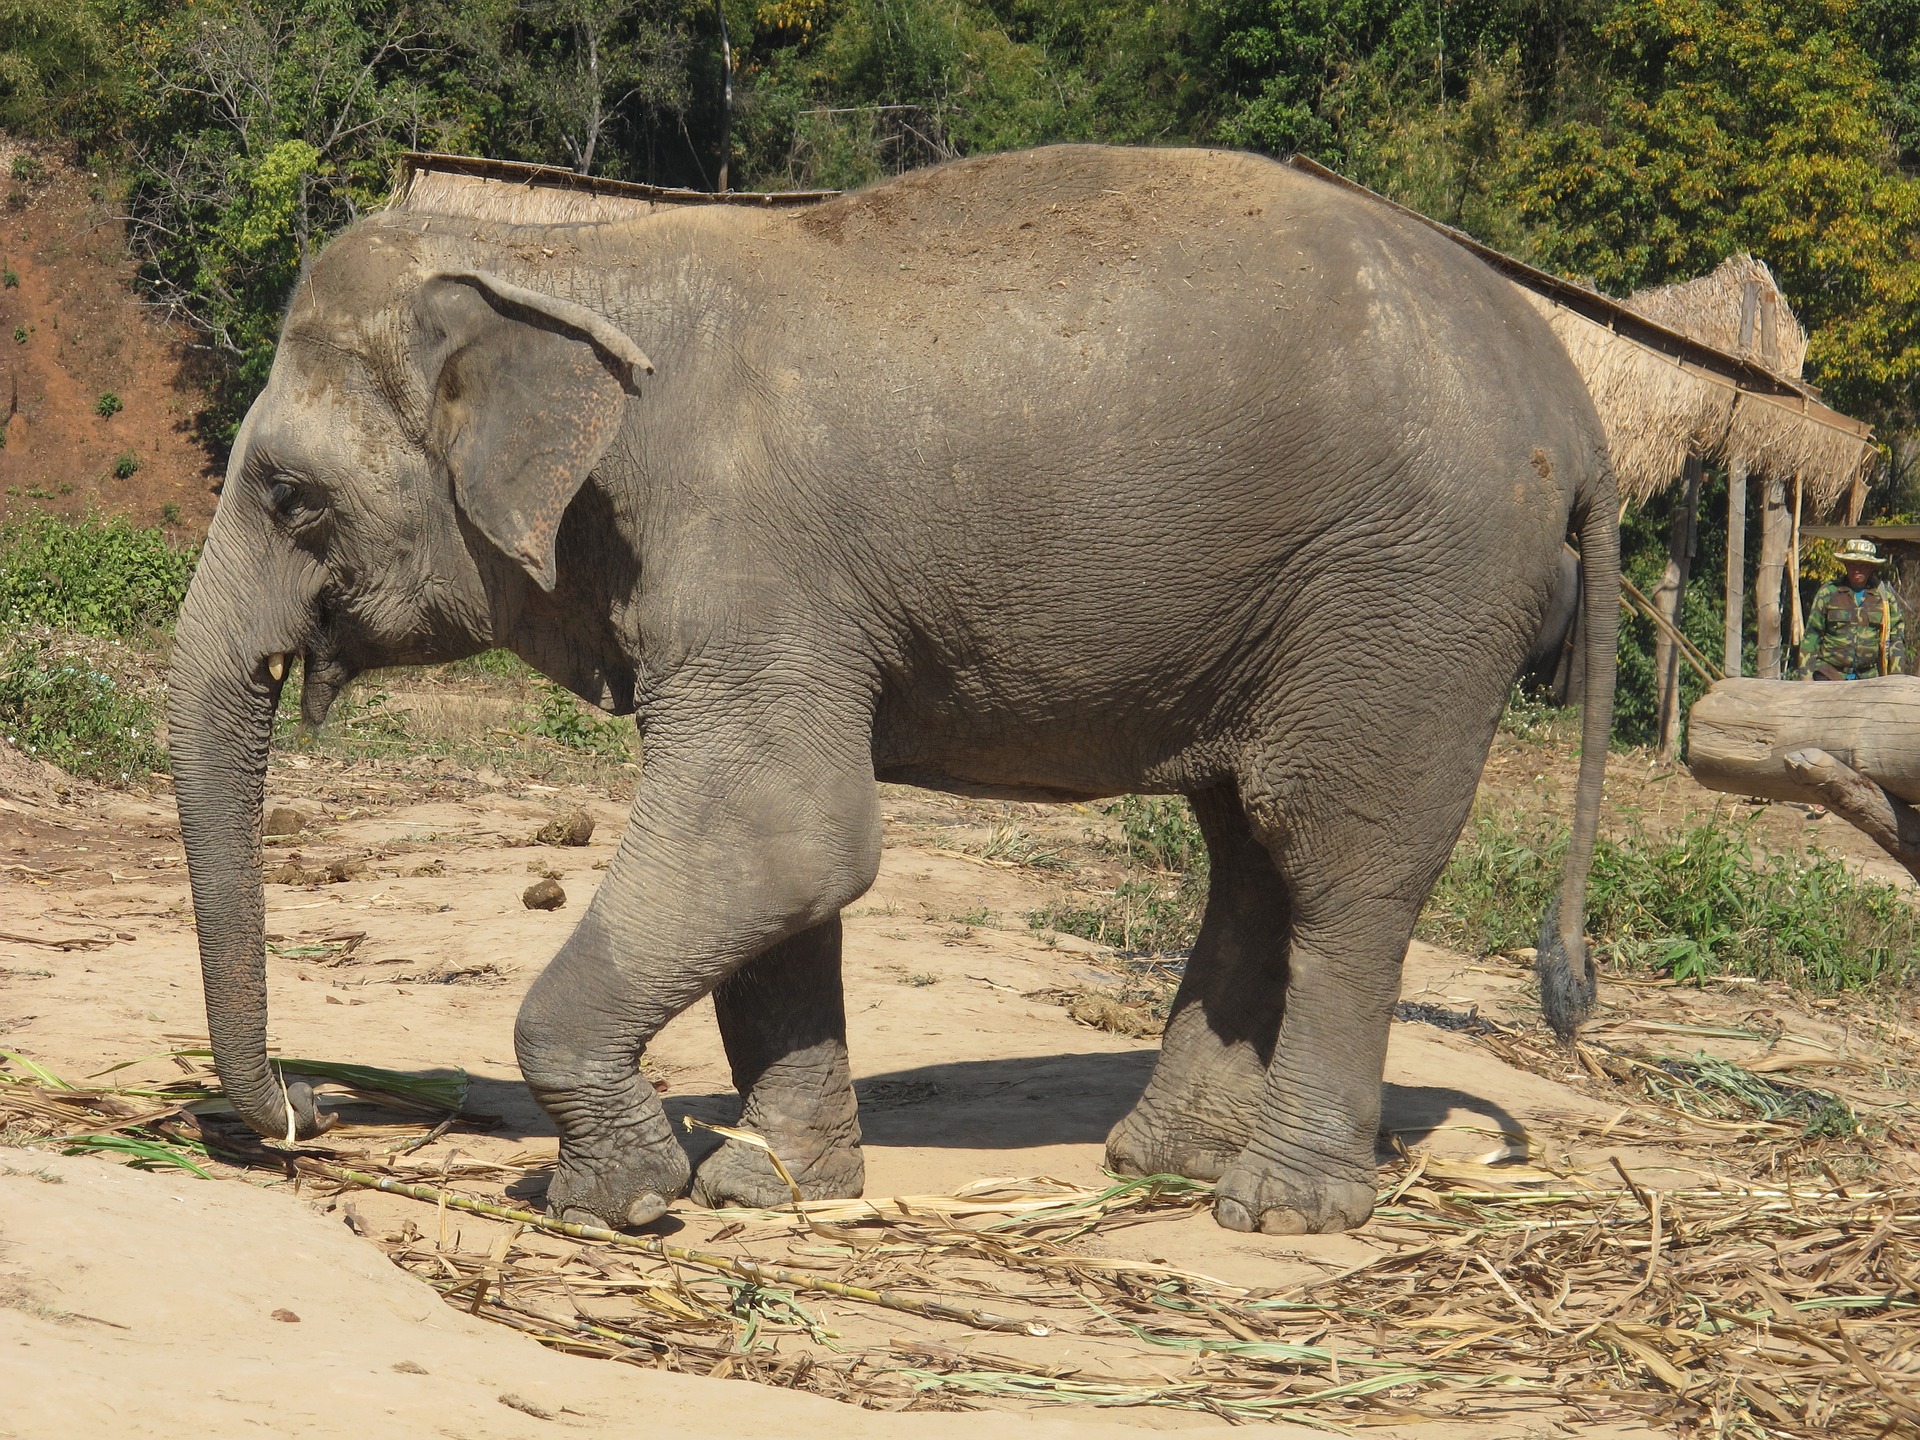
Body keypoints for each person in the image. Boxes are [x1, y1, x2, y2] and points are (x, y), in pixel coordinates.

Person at [1796, 538, 1906, 680]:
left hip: (1868, 678)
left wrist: (1896, 676)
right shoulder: (1828, 593)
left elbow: (1896, 636)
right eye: (1853, 564)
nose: (1857, 569)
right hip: (1829, 674)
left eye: (1863, 565)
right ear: (1846, 565)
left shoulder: (1884, 598)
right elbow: (1812, 635)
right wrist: (1806, 677)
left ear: (1872, 567)